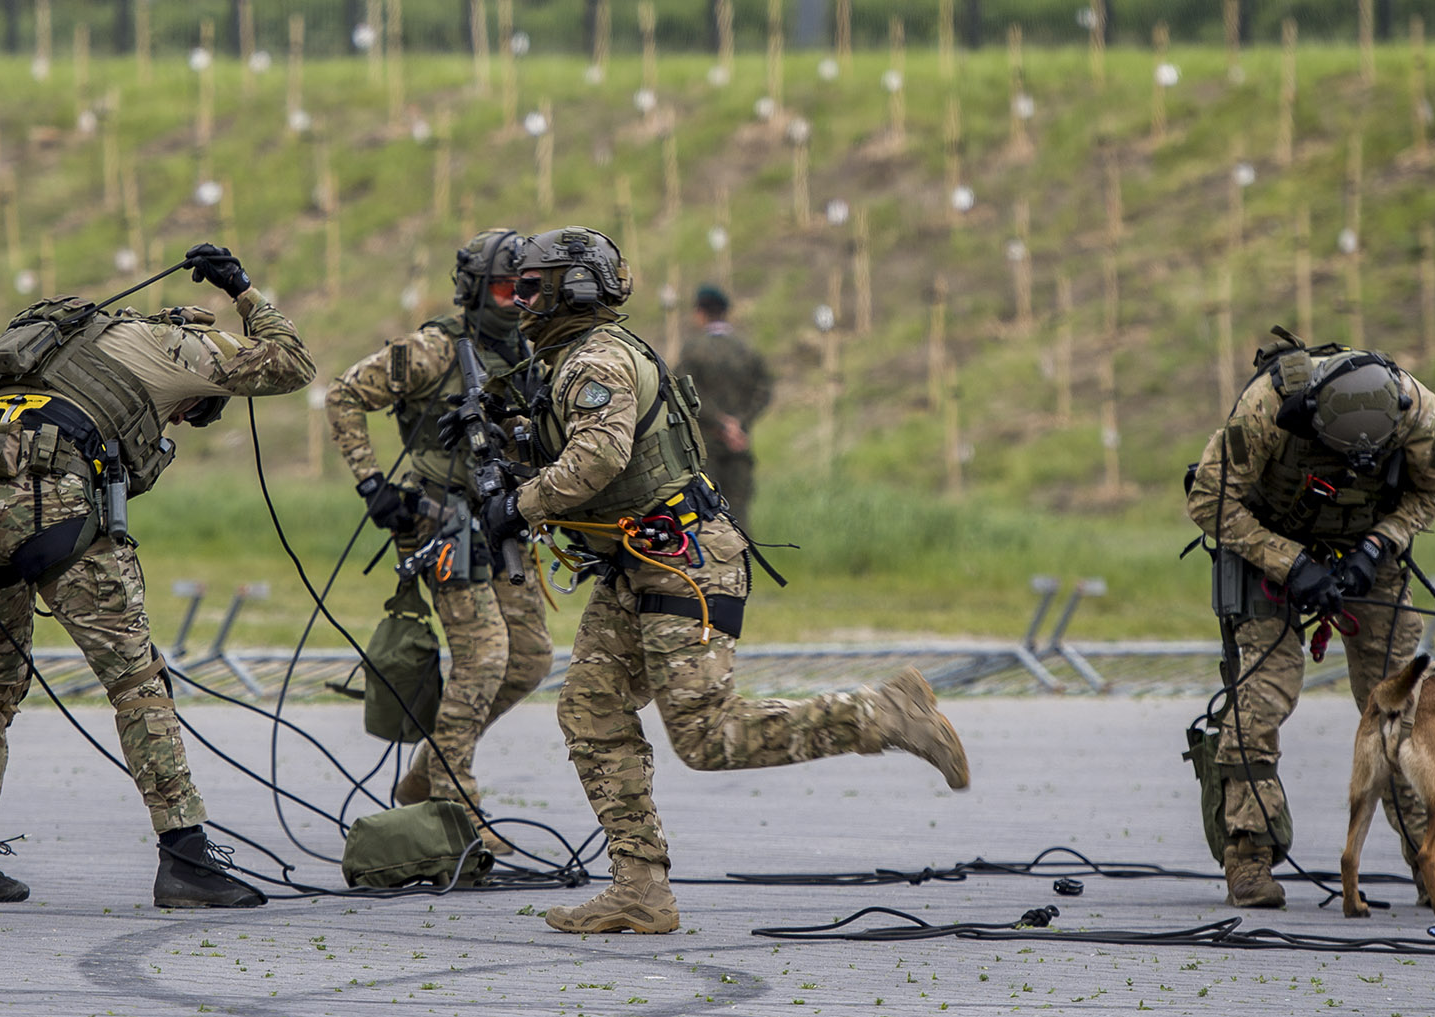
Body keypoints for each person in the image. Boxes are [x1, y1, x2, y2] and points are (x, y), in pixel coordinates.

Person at [471, 226, 970, 934]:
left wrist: (515, 507)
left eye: (532, 287)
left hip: (684, 561)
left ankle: (886, 714)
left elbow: (599, 458)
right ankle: (640, 888)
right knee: (590, 712)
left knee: (708, 736)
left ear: (569, 290)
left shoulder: (599, 362)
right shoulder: (571, 360)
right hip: (637, 562)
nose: (520, 301)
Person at [0, 243, 314, 907]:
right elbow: (291, 364)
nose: (186, 418)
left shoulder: (81, 341)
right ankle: (186, 857)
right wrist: (245, 293)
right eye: (193, 409)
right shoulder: (177, 346)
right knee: (137, 682)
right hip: (50, 502)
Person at [1185, 328, 1435, 908]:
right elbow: (1208, 499)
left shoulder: (1418, 411)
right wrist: (1289, 563)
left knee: (1402, 705)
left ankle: (1431, 860)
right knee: (1261, 697)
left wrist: (1378, 545)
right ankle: (1249, 855)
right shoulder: (1265, 407)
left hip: (1367, 554)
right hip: (1265, 547)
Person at [325, 228, 553, 854]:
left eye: (529, 290)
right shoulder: (432, 350)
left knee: (529, 659)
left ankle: (427, 771)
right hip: (442, 522)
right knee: (483, 659)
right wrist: (374, 484)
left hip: (505, 520)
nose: (517, 303)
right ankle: (457, 808)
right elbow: (343, 394)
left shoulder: (534, 353)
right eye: (506, 289)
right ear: (476, 289)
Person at [675, 285, 772, 522]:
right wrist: (738, 424)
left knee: (706, 516)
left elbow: (684, 390)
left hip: (705, 447)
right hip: (739, 443)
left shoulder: (693, 349)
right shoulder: (746, 350)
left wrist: (719, 422)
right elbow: (763, 391)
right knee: (739, 515)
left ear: (700, 312)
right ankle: (744, 559)